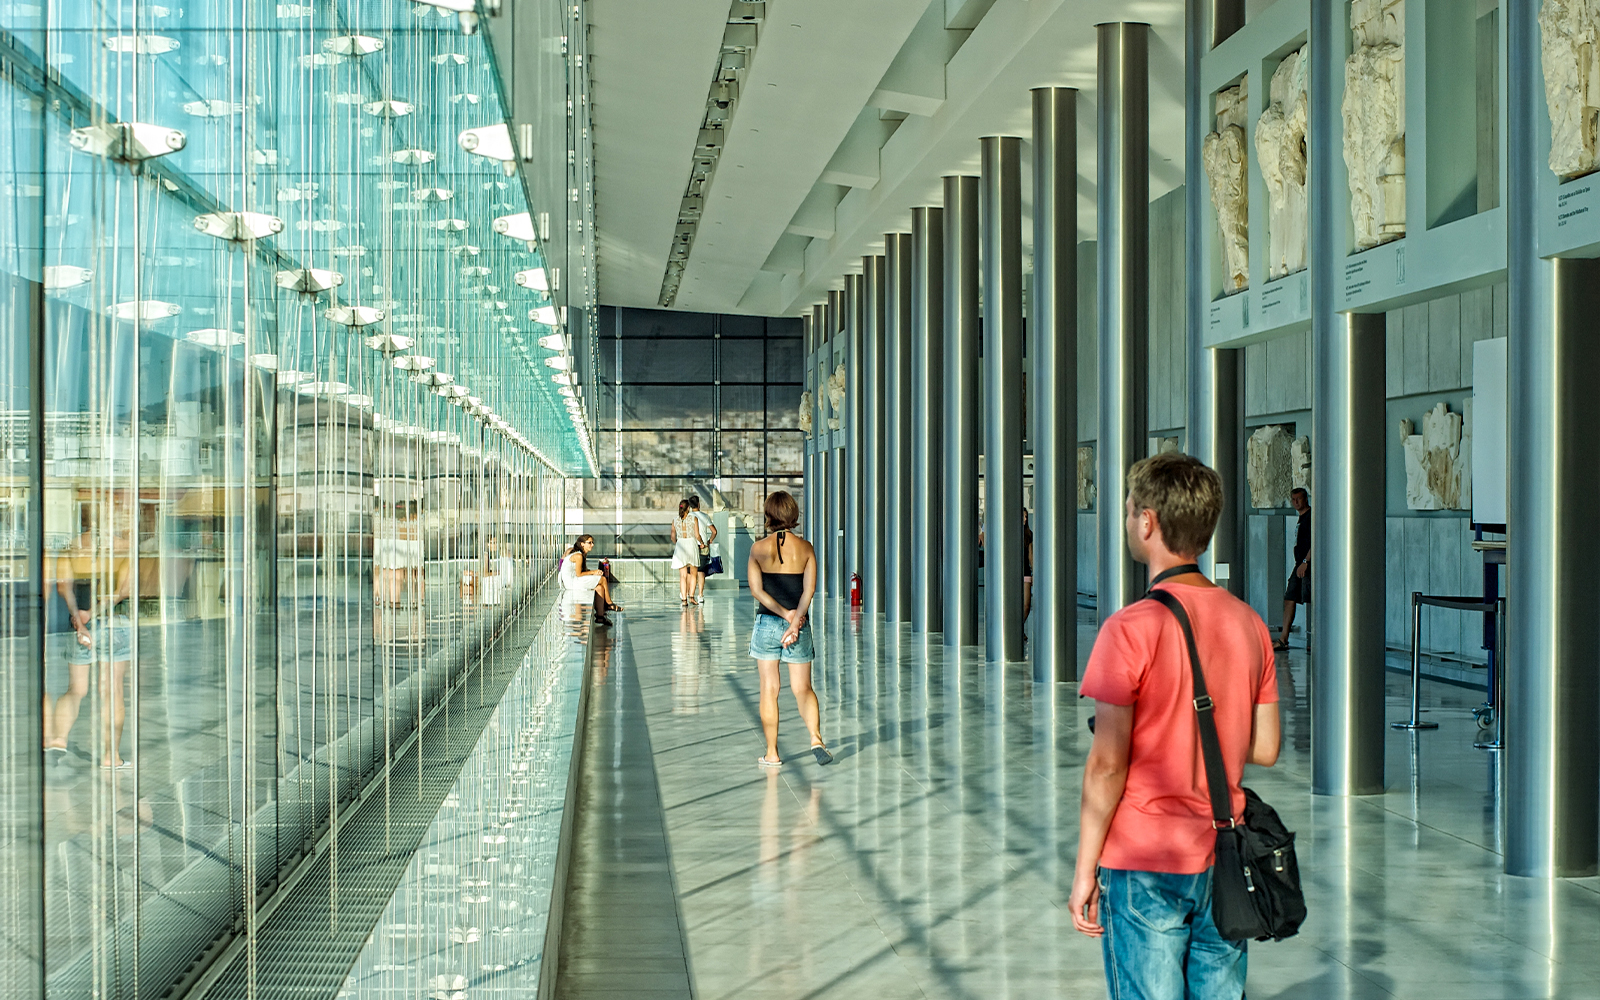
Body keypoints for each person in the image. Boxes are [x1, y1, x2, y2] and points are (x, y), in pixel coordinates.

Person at [1069, 452, 1280, 1000]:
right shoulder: (1249, 623)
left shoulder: (1129, 628)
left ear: (1147, 522)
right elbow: (1266, 746)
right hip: (1223, 857)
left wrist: (1085, 868)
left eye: (1128, 510)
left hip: (1144, 859)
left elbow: (1107, 765)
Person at [747, 491, 830, 768]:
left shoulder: (758, 549)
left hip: (767, 625)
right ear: (792, 514)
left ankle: (772, 753)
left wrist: (783, 614)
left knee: (769, 688)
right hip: (799, 628)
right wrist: (795, 622)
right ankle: (816, 738)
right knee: (803, 688)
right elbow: (809, 591)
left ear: (769, 514)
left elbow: (757, 591)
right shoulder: (806, 548)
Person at [1276, 487, 1311, 651]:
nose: (1296, 502)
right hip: (1299, 564)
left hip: (1307, 564)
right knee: (1290, 597)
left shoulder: (1310, 517)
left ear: (1305, 499)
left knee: (1310, 600)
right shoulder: (1301, 518)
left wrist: (1306, 561)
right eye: (1293, 499)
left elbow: (1315, 541)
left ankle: (1313, 639)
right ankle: (1284, 638)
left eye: (1299, 499)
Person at [560, 534, 621, 625]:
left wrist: (593, 572)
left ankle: (600, 617)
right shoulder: (578, 556)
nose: (592, 545)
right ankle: (609, 603)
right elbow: (579, 574)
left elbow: (581, 571)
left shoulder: (581, 554)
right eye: (589, 543)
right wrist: (593, 572)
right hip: (571, 583)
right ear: (582, 544)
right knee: (602, 579)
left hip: (573, 580)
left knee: (599, 588)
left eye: (592, 542)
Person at [669, 499, 703, 606]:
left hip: (680, 546)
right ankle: (692, 597)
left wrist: (678, 543)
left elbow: (672, 537)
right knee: (693, 574)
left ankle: (684, 600)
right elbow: (697, 535)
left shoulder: (675, 520)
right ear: (688, 508)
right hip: (691, 544)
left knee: (682, 576)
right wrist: (701, 543)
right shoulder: (694, 519)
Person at [688, 494, 717, 605]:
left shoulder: (688, 517)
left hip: (691, 546)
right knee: (701, 572)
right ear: (699, 504)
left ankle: (689, 594)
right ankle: (700, 595)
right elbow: (714, 531)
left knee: (691, 572)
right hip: (703, 546)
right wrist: (709, 541)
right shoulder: (705, 516)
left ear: (690, 506)